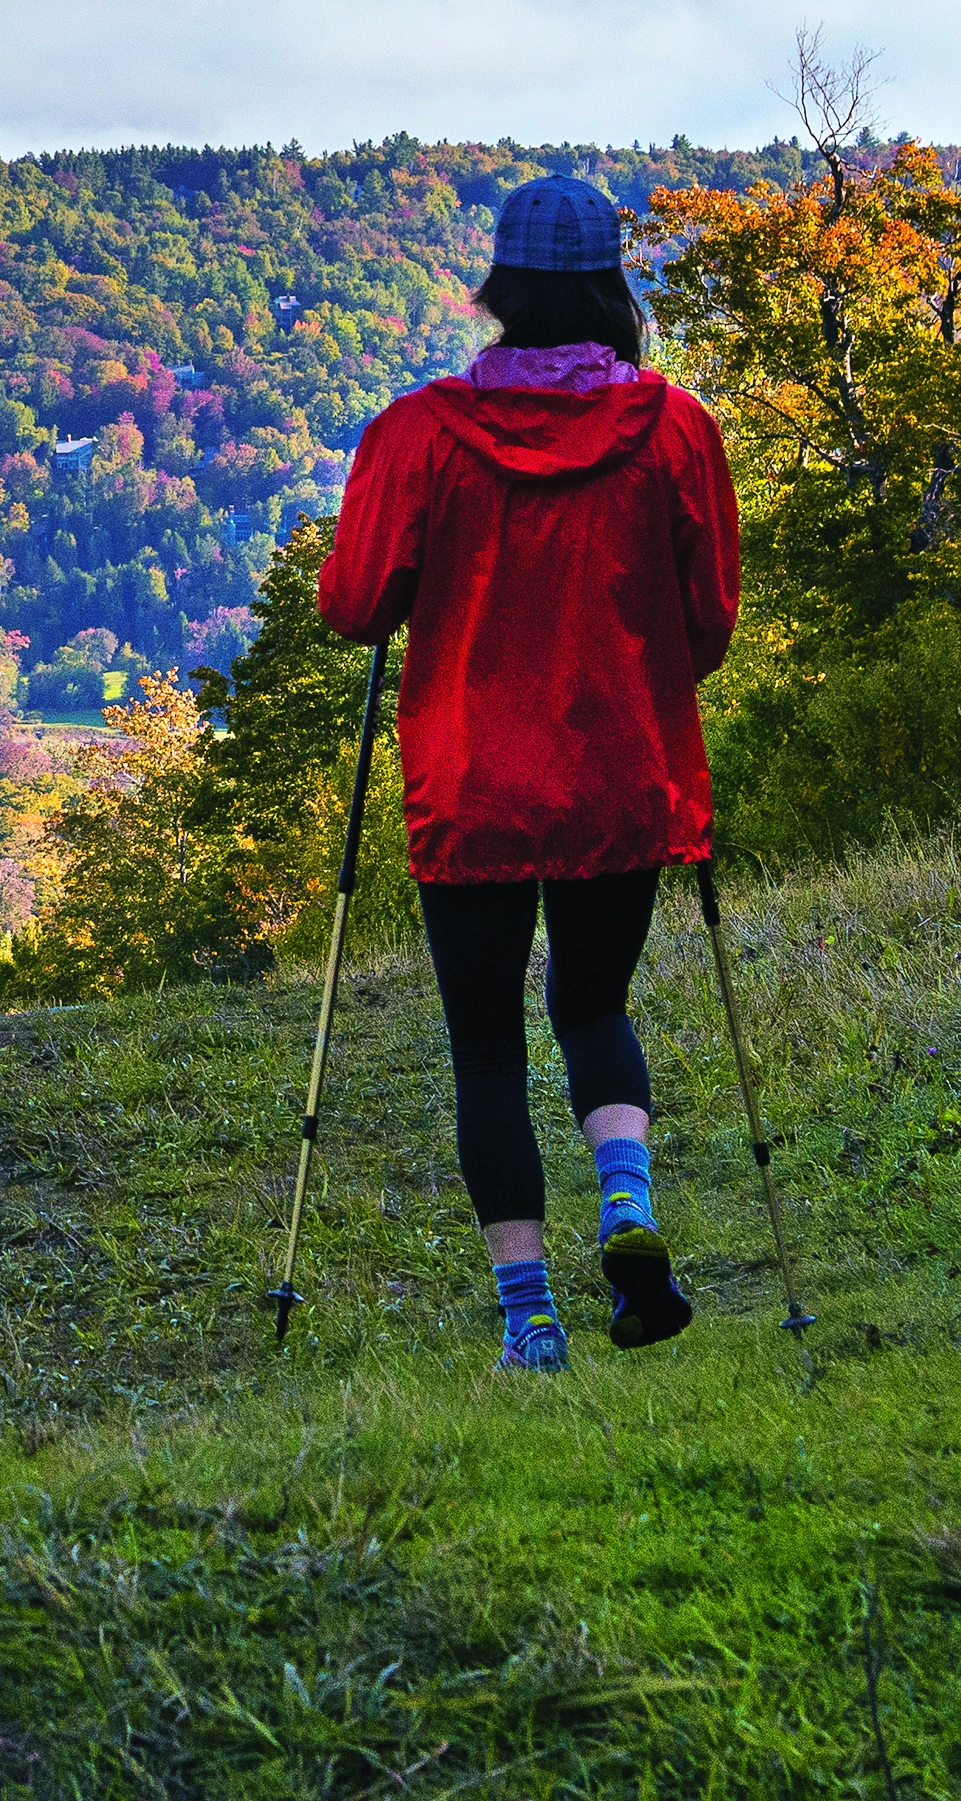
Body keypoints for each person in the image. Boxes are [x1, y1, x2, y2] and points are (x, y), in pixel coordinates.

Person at [316, 171, 741, 1372]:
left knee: (489, 1049)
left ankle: (532, 1326)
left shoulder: (420, 434)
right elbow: (707, 622)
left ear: (501, 287)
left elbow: (355, 608)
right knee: (595, 1004)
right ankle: (627, 1205)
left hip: (472, 782)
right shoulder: (675, 430)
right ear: (612, 285)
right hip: (619, 770)